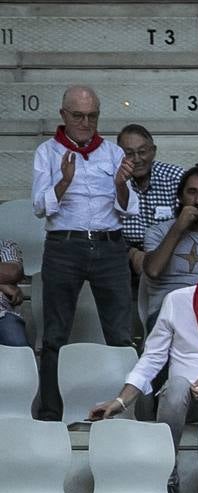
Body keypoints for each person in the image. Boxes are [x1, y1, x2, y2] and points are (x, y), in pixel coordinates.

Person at [88, 243, 198, 481]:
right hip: (181, 400)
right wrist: (122, 399)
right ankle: (167, 472)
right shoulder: (176, 301)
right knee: (177, 384)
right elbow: (152, 357)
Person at [32, 84, 138, 419]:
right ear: (63, 115)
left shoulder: (112, 152)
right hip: (64, 245)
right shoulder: (46, 153)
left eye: (92, 116)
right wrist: (63, 182)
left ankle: (124, 410)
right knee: (54, 335)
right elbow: (39, 206)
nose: (85, 122)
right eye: (78, 115)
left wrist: (121, 185)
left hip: (109, 246)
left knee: (121, 334)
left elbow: (129, 208)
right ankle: (51, 412)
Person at [142, 166, 198, 326]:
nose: (197, 200)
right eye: (191, 192)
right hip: (166, 313)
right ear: (181, 197)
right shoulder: (157, 232)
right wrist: (178, 229)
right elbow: (153, 270)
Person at [117, 123, 184, 278]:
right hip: (124, 258)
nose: (137, 159)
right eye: (129, 154)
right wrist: (131, 253)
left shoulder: (176, 178)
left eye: (142, 152)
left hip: (171, 254)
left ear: (153, 152)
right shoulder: (113, 182)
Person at [0, 238, 28, 346]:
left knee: (18, 345)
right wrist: (3, 286)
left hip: (2, 316)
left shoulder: (6, 246)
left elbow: (12, 273)